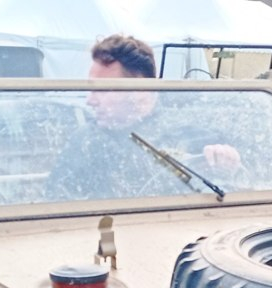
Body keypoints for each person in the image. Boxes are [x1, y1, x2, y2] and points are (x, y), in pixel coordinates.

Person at [45, 34, 240, 200]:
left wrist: (227, 163)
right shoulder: (84, 141)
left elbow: (230, 190)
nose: (90, 101)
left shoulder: (188, 134)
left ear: (140, 89)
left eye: (102, 90)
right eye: (90, 89)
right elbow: (54, 201)